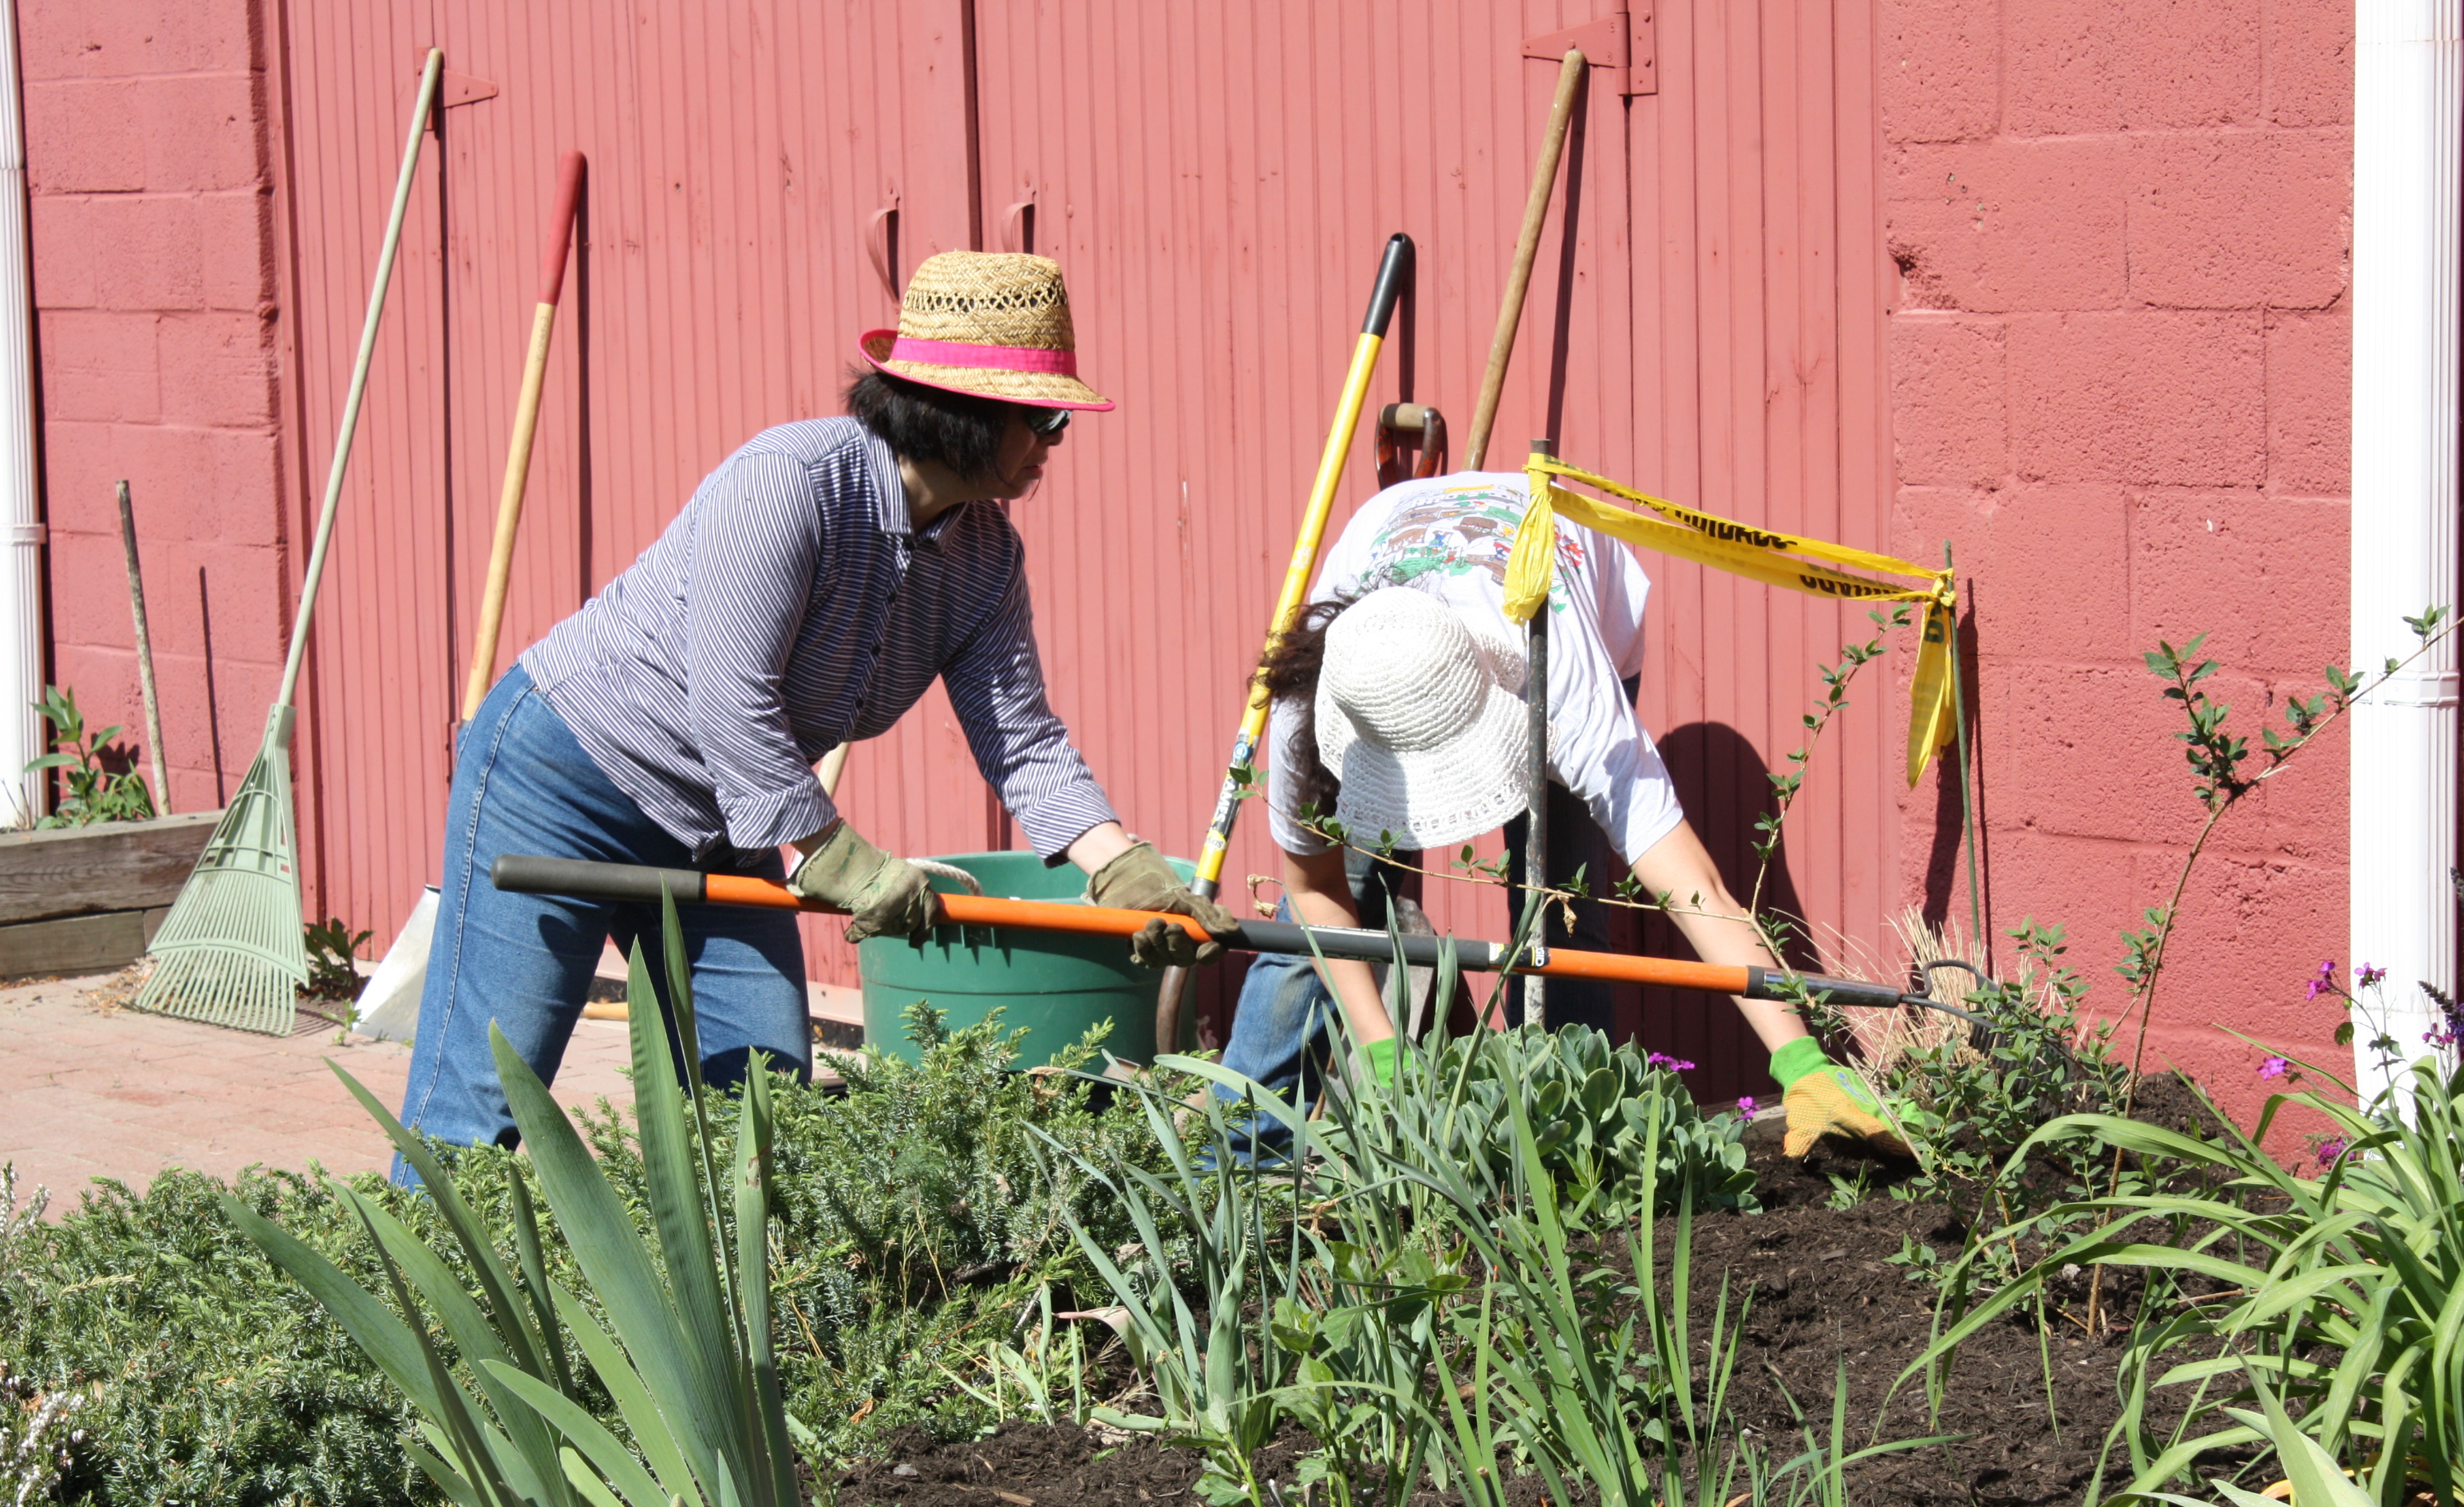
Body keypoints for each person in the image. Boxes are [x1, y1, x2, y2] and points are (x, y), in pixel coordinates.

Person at [393, 251, 1237, 1183]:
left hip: (721, 828)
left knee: (763, 1113)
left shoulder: (984, 559)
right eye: (1043, 419)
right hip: (564, 782)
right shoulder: (790, 480)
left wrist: (1119, 864)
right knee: (489, 1095)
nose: (1055, 442)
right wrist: (839, 857)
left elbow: (1022, 739)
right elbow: (732, 699)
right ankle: (410, 1272)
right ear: (963, 413)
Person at [1218, 469, 1903, 1162]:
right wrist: (1384, 1056)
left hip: (1568, 611)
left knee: (1561, 908)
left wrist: (1803, 1064)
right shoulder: (1314, 701)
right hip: (1390, 558)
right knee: (1340, 902)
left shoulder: (1573, 702)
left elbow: (1696, 888)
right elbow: (1315, 891)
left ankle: (1565, 1142)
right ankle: (1240, 1156)